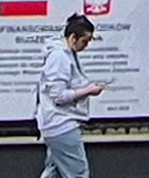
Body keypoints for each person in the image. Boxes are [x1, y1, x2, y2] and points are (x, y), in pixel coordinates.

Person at [36, 12, 107, 178]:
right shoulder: (60, 57)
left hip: (55, 124)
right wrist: (88, 91)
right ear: (73, 37)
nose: (86, 46)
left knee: (54, 172)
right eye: (84, 41)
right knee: (78, 173)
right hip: (62, 124)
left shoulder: (65, 54)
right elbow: (59, 96)